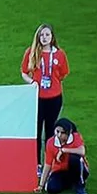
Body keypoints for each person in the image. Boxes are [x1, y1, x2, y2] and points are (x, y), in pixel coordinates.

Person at [20, 23, 70, 177]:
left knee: (50, 132)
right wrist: (32, 82)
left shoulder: (59, 54)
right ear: (38, 37)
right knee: (35, 131)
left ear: (52, 37)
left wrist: (52, 83)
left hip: (54, 99)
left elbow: (63, 73)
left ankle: (50, 164)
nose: (44, 38)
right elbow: (24, 72)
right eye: (42, 35)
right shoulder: (32, 52)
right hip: (36, 99)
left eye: (47, 35)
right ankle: (37, 164)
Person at [34, 118, 89, 194]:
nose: (59, 135)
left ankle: (80, 185)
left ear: (69, 132)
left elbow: (82, 151)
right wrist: (41, 185)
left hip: (77, 168)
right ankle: (70, 183)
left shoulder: (76, 137)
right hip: (60, 170)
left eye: (62, 133)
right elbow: (47, 164)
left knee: (74, 158)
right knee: (52, 189)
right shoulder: (50, 142)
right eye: (57, 131)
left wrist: (64, 150)